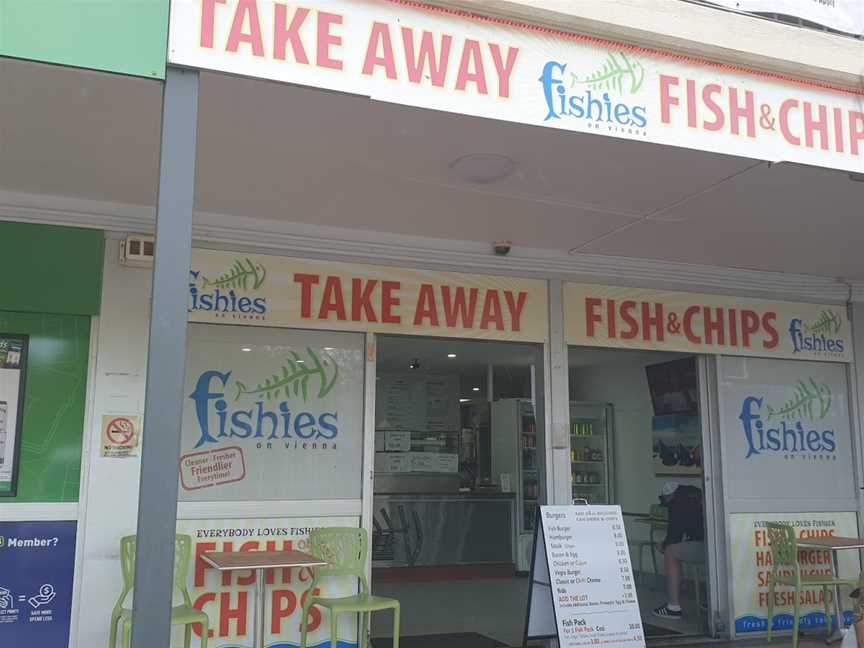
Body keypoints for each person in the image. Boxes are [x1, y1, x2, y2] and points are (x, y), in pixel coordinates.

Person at [652, 481, 705, 620]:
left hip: (706, 546)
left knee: (671, 552)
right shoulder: (696, 493)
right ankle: (714, 602)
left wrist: (662, 546)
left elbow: (674, 535)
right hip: (721, 545)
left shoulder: (677, 503)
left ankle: (673, 607)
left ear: (668, 497)